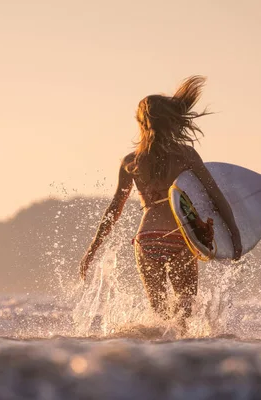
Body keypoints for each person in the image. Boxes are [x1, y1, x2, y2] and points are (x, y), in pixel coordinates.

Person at [79, 76, 243, 331]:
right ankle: (178, 365)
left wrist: (92, 249)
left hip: (146, 239)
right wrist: (234, 233)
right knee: (184, 313)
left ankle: (153, 361)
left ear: (141, 123)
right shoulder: (186, 154)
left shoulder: (130, 161)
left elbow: (114, 210)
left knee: (158, 316)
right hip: (179, 237)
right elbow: (215, 194)